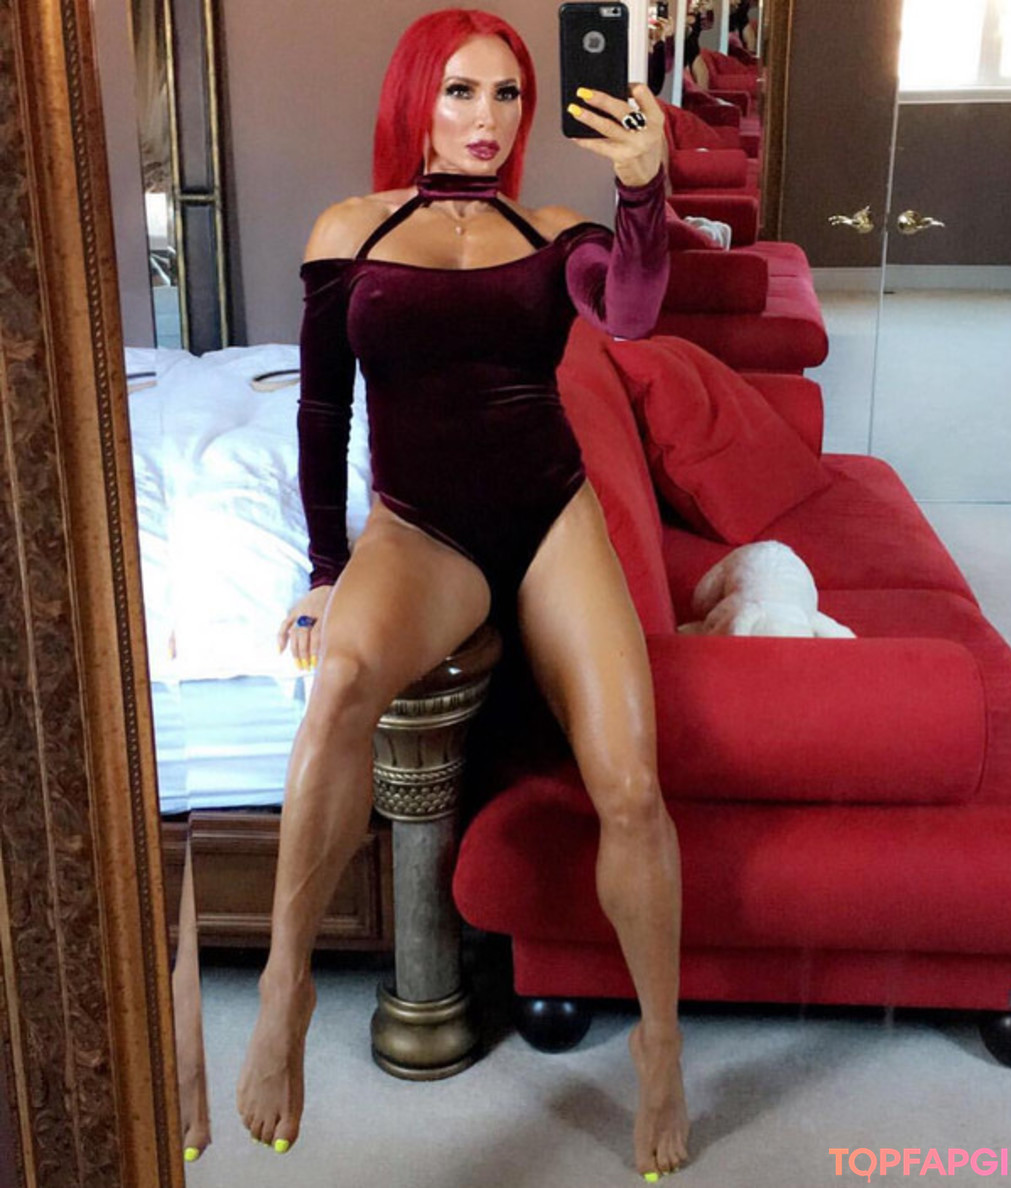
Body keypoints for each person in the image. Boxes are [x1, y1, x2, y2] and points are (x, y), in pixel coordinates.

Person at [236, 8, 689, 1179]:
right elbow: (323, 409)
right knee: (340, 683)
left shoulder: (555, 234)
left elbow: (633, 310)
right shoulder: (350, 229)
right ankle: (284, 988)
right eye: (460, 91)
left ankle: (659, 1045)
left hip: (549, 518)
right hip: (419, 529)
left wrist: (646, 192)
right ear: (416, 100)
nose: (485, 119)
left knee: (631, 787)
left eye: (506, 95)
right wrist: (327, 571)